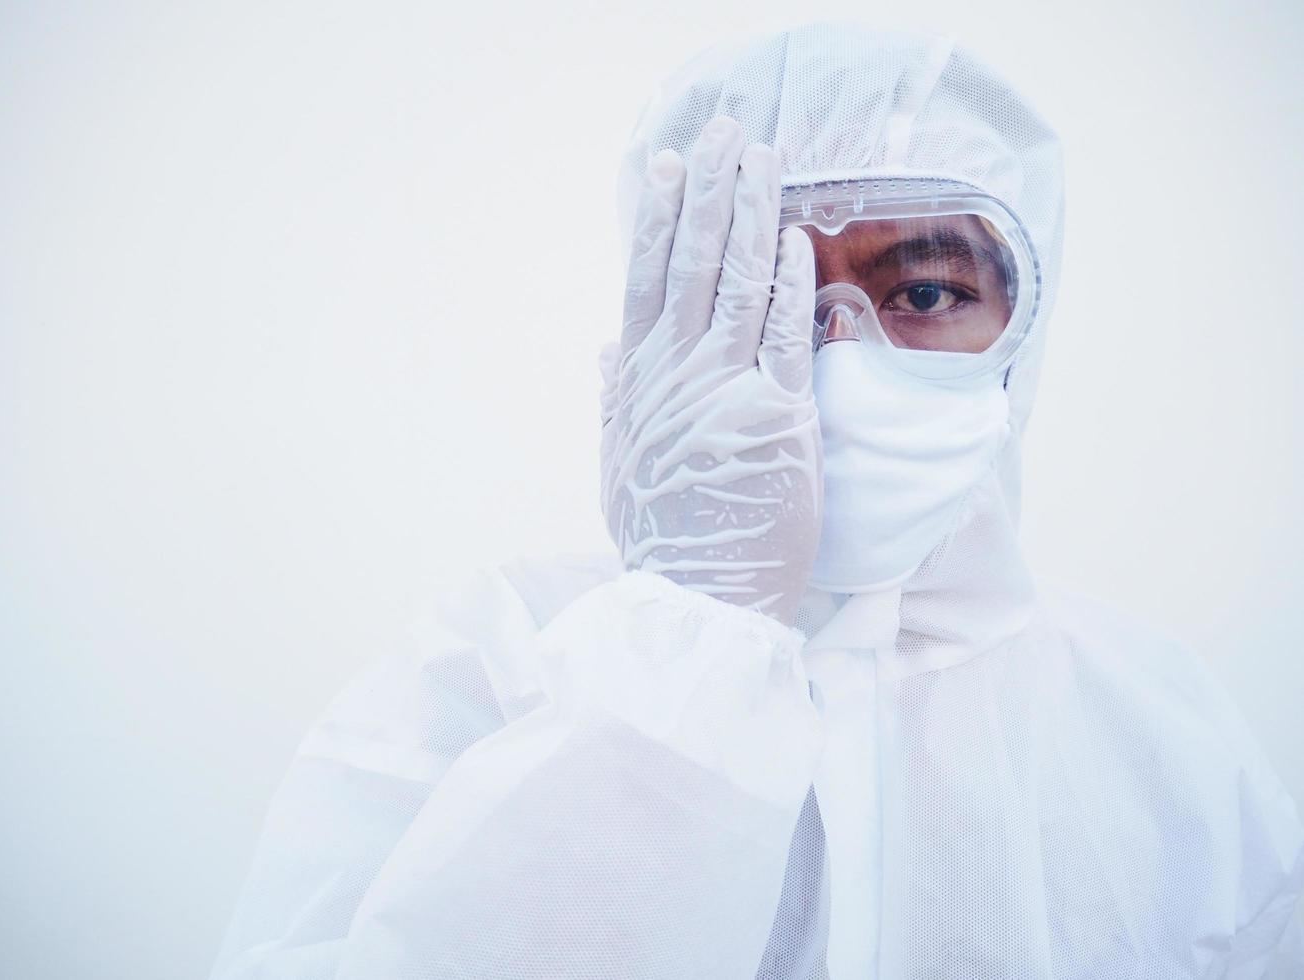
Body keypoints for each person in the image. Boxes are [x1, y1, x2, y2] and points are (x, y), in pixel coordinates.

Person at [210, 23, 1304, 979]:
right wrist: (686, 640)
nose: (821, 357)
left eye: (923, 293)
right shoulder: (481, 671)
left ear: (1024, 329)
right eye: (763, 290)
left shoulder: (1164, 747)